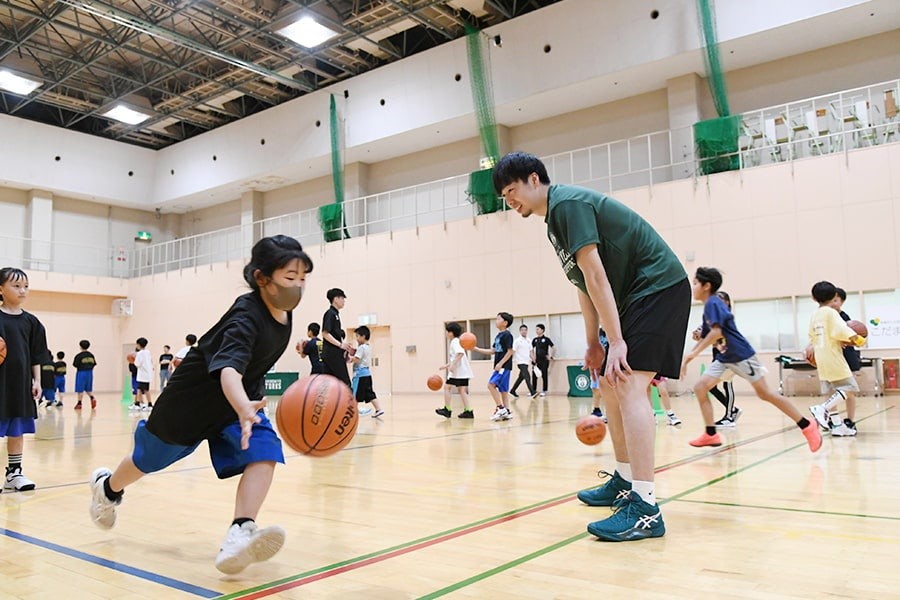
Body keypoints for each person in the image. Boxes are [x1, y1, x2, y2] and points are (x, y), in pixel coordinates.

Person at [495, 151, 690, 541]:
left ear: (534, 180)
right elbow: (584, 284)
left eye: (512, 191)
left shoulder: (567, 204)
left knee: (630, 385)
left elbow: (597, 275)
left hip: (659, 288)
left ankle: (646, 507)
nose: (509, 201)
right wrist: (593, 344)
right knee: (611, 384)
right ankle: (623, 479)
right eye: (504, 197)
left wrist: (615, 340)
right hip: (635, 298)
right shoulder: (554, 223)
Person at [88, 235, 313, 574]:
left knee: (265, 451)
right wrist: (241, 405)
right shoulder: (246, 316)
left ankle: (241, 531)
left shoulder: (283, 312)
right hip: (192, 400)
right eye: (289, 278)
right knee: (148, 460)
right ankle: (107, 488)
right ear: (262, 279)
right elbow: (228, 371)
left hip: (238, 404)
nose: (297, 286)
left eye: (302, 278)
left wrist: (245, 408)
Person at [681, 267, 822, 452]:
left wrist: (691, 355)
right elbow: (709, 334)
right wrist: (697, 341)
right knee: (700, 387)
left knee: (765, 394)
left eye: (695, 283)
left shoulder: (713, 303)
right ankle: (710, 433)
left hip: (740, 355)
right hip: (725, 357)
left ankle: (806, 425)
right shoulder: (709, 306)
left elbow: (717, 332)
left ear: (706, 286)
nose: (693, 288)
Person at [0, 267, 48, 492]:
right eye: (16, 286)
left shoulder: (32, 322)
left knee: (16, 430)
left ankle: (14, 474)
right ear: (1, 289)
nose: (22, 291)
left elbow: (36, 355)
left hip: (20, 384)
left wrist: (36, 381)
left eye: (26, 286)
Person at [807, 282, 865, 437]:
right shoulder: (831, 313)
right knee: (850, 387)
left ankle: (838, 426)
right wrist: (859, 340)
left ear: (813, 298)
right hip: (833, 356)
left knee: (834, 389)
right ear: (833, 296)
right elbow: (843, 330)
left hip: (821, 356)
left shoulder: (815, 314)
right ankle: (822, 408)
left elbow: (812, 336)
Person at [472, 312, 515, 422]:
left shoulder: (507, 335)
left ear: (505, 323)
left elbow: (510, 351)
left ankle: (500, 408)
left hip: (503, 367)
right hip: (500, 367)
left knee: (491, 385)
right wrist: (475, 348)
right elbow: (493, 351)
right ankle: (507, 410)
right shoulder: (498, 336)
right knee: (503, 390)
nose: (496, 321)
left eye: (498, 319)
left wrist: (500, 363)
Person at [435, 322, 474, 419]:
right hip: (464, 372)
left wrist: (452, 365)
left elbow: (460, 354)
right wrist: (447, 365)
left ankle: (447, 409)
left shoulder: (455, 342)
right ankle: (468, 411)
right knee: (462, 390)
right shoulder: (458, 341)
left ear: (451, 333)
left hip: (458, 373)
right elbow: (458, 356)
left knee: (447, 387)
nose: (446, 334)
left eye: (447, 332)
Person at [350, 326, 384, 418]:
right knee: (370, 393)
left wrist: (349, 359)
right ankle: (379, 409)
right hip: (367, 374)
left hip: (360, 375)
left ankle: (353, 412)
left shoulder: (361, 348)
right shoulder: (367, 347)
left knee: (355, 393)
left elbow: (357, 359)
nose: (356, 339)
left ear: (363, 336)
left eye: (357, 336)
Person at [321, 288, 351, 387]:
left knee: (330, 385)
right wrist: (340, 345)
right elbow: (325, 333)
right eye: (342, 298)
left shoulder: (335, 315)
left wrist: (344, 347)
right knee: (345, 383)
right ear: (335, 299)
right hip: (332, 354)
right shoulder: (330, 314)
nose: (344, 301)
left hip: (332, 353)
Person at [509, 324, 537, 398]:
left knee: (521, 377)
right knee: (527, 376)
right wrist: (509, 360)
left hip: (526, 361)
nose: (524, 331)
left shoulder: (529, 340)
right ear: (520, 331)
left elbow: (531, 351)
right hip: (520, 362)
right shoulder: (517, 341)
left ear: (527, 331)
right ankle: (532, 392)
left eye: (525, 330)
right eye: (522, 330)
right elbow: (513, 351)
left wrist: (534, 359)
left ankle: (512, 391)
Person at [73, 339, 97, 410]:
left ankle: (79, 403)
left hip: (81, 372)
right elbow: (94, 364)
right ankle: (92, 397)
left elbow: (75, 364)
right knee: (88, 388)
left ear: (80, 346)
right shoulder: (91, 355)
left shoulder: (79, 356)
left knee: (80, 389)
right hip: (90, 373)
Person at [531, 324, 554, 396]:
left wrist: (550, 356)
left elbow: (553, 347)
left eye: (538, 329)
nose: (536, 330)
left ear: (542, 330)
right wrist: (533, 358)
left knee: (544, 375)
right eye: (536, 329)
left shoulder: (546, 339)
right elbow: (531, 349)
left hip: (544, 360)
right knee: (534, 375)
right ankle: (533, 390)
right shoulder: (535, 340)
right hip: (536, 360)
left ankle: (544, 390)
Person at [134, 337, 153, 411]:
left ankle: (150, 404)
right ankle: (138, 403)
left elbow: (137, 364)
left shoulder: (139, 353)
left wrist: (133, 361)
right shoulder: (148, 352)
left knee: (145, 390)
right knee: (139, 389)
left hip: (143, 374)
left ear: (138, 344)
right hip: (147, 374)